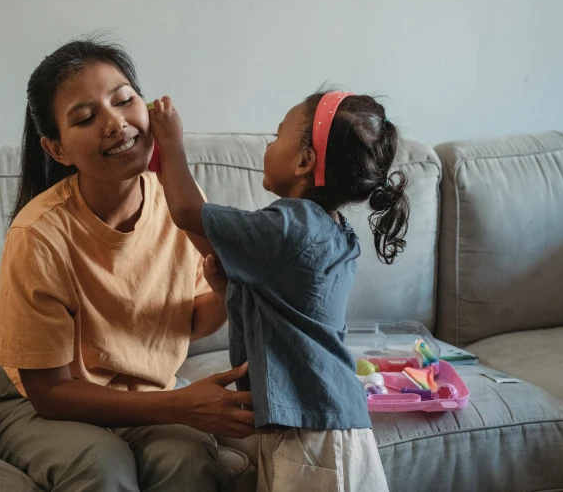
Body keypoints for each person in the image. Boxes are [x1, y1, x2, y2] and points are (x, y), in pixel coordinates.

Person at [0, 37, 261, 492]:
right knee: (101, 466)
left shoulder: (181, 204)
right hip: (36, 401)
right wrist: (179, 406)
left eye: (125, 99)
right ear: (57, 150)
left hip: (145, 395)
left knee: (188, 462)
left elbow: (183, 319)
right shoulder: (39, 235)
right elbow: (49, 392)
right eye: (86, 118)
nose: (114, 122)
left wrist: (229, 293)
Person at [150, 90, 407, 491]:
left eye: (276, 136)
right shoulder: (332, 231)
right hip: (320, 425)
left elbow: (185, 212)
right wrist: (232, 287)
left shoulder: (291, 224)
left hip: (313, 434)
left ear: (305, 161)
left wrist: (171, 143)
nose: (268, 146)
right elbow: (286, 307)